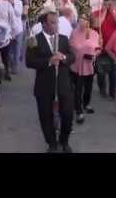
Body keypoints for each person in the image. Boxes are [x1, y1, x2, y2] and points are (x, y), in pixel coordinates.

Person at [25, 11, 76, 153]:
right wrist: (48, 61)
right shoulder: (33, 40)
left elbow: (73, 57)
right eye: (52, 23)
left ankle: (64, 141)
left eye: (57, 22)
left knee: (67, 114)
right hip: (44, 85)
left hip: (63, 84)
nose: (56, 25)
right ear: (44, 24)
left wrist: (64, 57)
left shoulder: (64, 39)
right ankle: (52, 143)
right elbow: (29, 62)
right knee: (46, 117)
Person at [69, 14, 101, 124]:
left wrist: (95, 54)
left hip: (89, 65)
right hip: (77, 65)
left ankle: (86, 103)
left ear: (88, 21)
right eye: (80, 19)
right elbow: (72, 47)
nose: (82, 21)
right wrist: (85, 49)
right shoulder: (74, 33)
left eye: (85, 19)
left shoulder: (94, 33)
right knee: (78, 89)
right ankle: (79, 111)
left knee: (88, 87)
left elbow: (98, 48)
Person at [92, 0, 116, 99]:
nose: (108, 6)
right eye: (106, 3)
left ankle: (113, 92)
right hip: (100, 47)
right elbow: (96, 24)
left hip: (113, 48)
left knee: (113, 71)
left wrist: (112, 10)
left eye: (110, 3)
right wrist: (104, 11)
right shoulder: (97, 13)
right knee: (101, 71)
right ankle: (102, 90)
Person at [6, 0, 24, 75]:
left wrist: (13, 4)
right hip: (9, 30)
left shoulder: (19, 2)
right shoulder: (4, 3)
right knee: (9, 49)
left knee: (17, 48)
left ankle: (15, 66)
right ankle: (11, 63)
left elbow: (18, 13)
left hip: (18, 29)